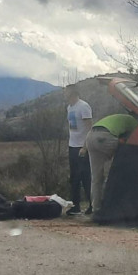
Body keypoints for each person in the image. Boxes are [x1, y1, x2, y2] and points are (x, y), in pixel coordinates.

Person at [84, 113, 138, 214]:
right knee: (118, 169)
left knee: (96, 178)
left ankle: (96, 209)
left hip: (90, 137)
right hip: (105, 137)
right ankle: (113, 206)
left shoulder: (119, 117)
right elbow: (136, 139)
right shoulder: (133, 121)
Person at [64, 84, 93, 215]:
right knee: (74, 178)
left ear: (73, 93)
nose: (65, 95)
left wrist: (85, 146)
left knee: (85, 177)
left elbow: (89, 128)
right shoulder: (69, 108)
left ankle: (93, 204)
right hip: (72, 146)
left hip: (82, 147)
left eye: (67, 92)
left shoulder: (84, 106)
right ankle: (76, 205)